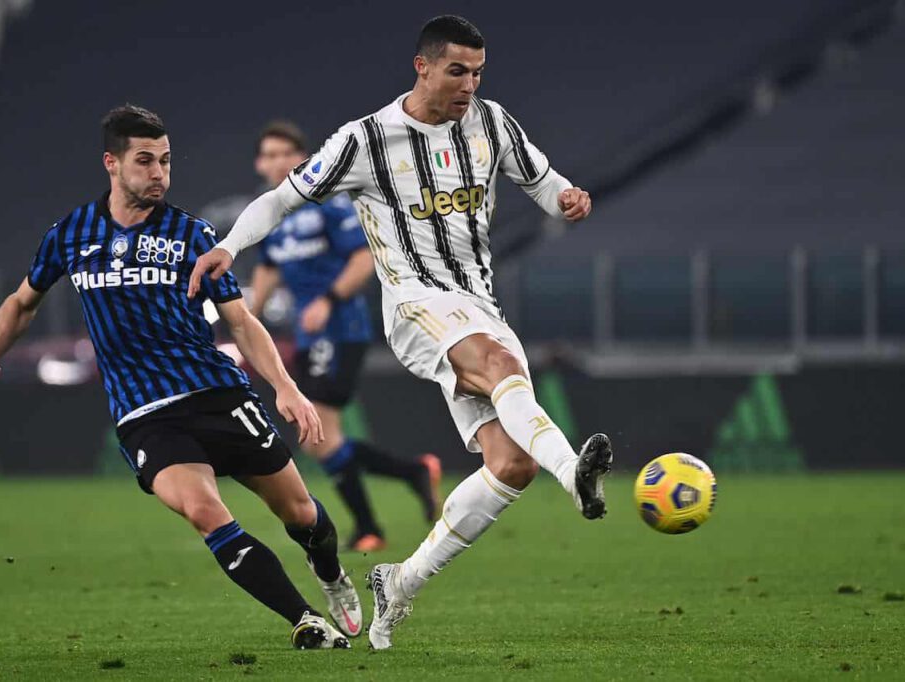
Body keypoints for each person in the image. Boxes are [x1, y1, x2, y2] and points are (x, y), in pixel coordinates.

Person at [190, 15, 612, 650]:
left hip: (480, 304)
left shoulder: (493, 123)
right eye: (456, 70)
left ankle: (400, 581)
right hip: (415, 304)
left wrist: (569, 199)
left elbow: (545, 183)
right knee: (500, 369)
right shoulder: (367, 140)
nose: (470, 83)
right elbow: (280, 200)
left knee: (509, 464)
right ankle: (573, 473)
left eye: (477, 71)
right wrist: (228, 246)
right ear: (423, 66)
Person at [0, 105, 362, 649]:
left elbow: (241, 321)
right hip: (144, 414)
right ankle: (305, 619)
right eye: (145, 161)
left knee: (301, 514)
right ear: (112, 163)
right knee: (204, 511)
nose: (159, 173)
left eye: (166, 161)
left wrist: (286, 387)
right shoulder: (71, 234)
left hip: (216, 395)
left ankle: (330, 574)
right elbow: (24, 302)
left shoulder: (193, 235)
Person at [247, 120, 442, 552]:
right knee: (320, 438)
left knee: (319, 433)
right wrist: (246, 317)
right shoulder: (270, 214)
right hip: (308, 338)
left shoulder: (328, 204)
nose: (277, 162)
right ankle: (410, 474)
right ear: (260, 163)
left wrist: (328, 300)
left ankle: (369, 528)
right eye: (269, 154)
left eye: (286, 153)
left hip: (341, 330)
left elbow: (363, 259)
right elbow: (268, 267)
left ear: (302, 158)